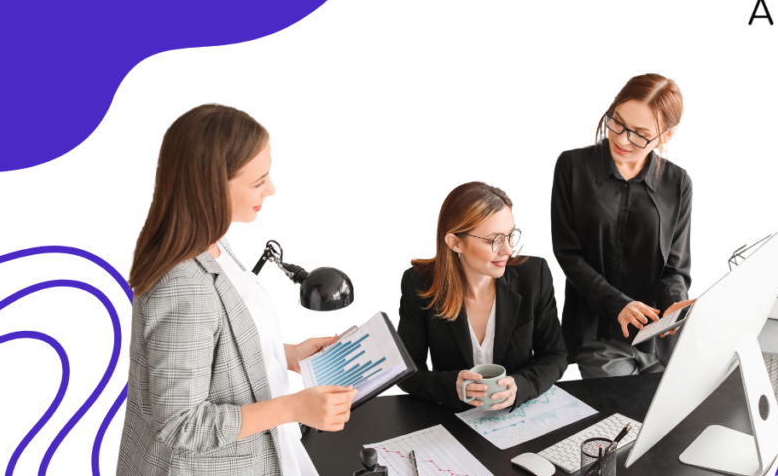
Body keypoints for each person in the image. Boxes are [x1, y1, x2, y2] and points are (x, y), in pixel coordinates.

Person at [117, 104, 357, 476]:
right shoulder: (183, 286)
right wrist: (295, 407)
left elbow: (215, 347)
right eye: (259, 181)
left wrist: (286, 355)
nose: (272, 189)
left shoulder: (214, 245)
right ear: (211, 186)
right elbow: (181, 423)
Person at [551, 74, 696, 378]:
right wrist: (618, 304)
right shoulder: (572, 167)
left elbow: (675, 268)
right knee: (620, 419)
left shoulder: (678, 183)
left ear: (666, 136)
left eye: (640, 134)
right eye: (616, 122)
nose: (621, 139)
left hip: (659, 340)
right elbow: (569, 255)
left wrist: (674, 307)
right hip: (600, 336)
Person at [397, 182, 568, 410]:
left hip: (519, 415)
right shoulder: (418, 284)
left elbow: (555, 355)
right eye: (494, 240)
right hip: (454, 422)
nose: (508, 249)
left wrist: (521, 386)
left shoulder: (534, 276)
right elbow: (406, 371)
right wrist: (451, 386)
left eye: (510, 235)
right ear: (455, 243)